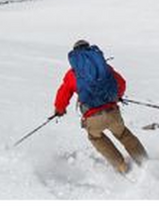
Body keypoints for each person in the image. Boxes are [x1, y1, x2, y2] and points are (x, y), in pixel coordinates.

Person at [53, 39, 149, 175]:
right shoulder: (104, 68)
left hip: (92, 117)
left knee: (95, 137)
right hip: (112, 112)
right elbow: (121, 82)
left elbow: (63, 93)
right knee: (124, 134)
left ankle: (121, 165)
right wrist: (117, 95)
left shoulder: (72, 74)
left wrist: (59, 110)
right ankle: (144, 162)